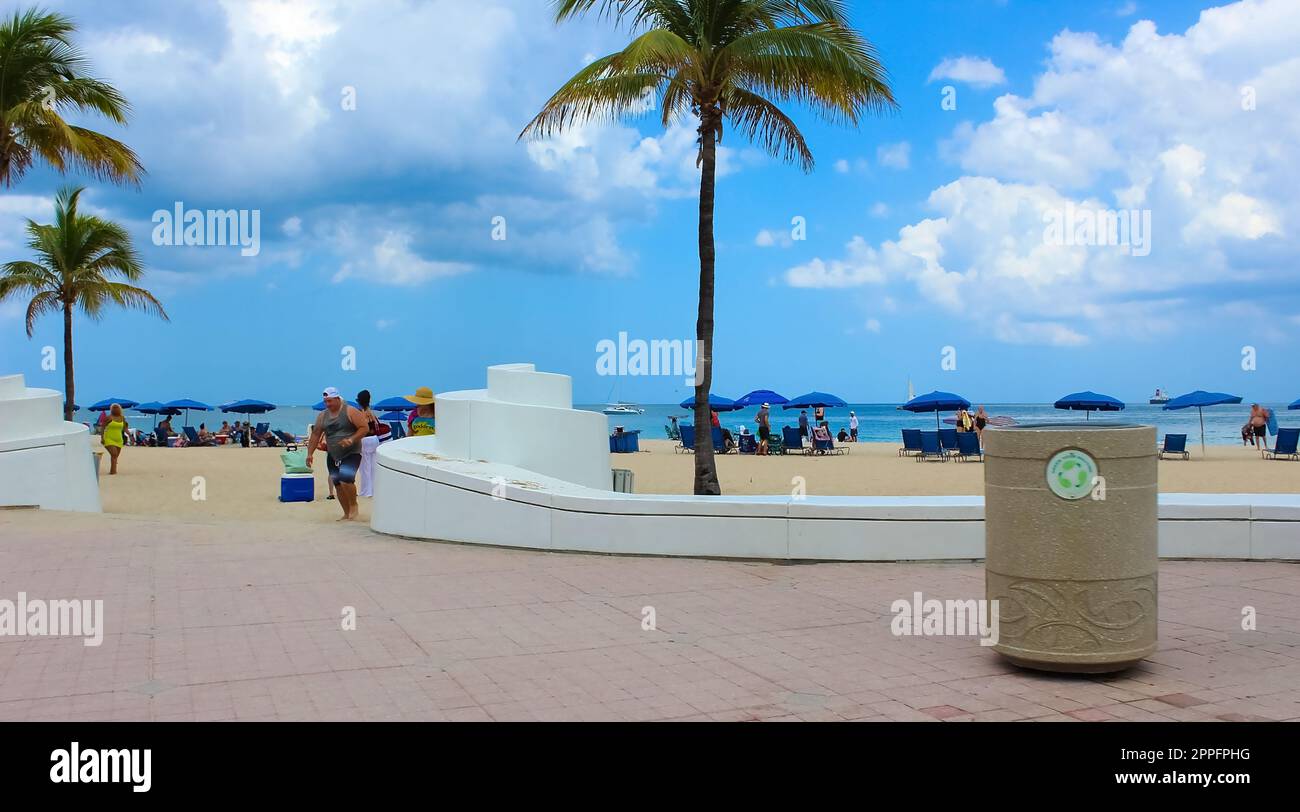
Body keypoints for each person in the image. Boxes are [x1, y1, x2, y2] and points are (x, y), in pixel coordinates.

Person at [307, 386, 369, 521]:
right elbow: (316, 434)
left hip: (352, 451)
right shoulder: (323, 415)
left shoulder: (350, 411)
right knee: (338, 484)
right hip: (333, 453)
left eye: (330, 401)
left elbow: (364, 428)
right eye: (326, 401)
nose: (328, 404)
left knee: (346, 479)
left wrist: (352, 439)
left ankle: (354, 505)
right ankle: (346, 514)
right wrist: (309, 454)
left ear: (337, 399)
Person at [356, 390, 392, 499]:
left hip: (365, 440)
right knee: (372, 466)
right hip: (375, 440)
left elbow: (362, 428)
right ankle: (373, 490)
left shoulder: (361, 412)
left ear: (358, 400)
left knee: (364, 468)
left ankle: (366, 491)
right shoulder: (371, 412)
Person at [101, 403, 128, 475]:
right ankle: (113, 472)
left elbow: (125, 428)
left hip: (119, 439)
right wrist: (102, 438)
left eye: (117, 408)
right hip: (109, 438)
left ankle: (113, 471)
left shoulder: (122, 418)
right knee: (114, 454)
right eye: (114, 408)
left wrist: (130, 436)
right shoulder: (108, 418)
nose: (115, 409)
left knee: (115, 456)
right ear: (111, 409)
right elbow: (102, 428)